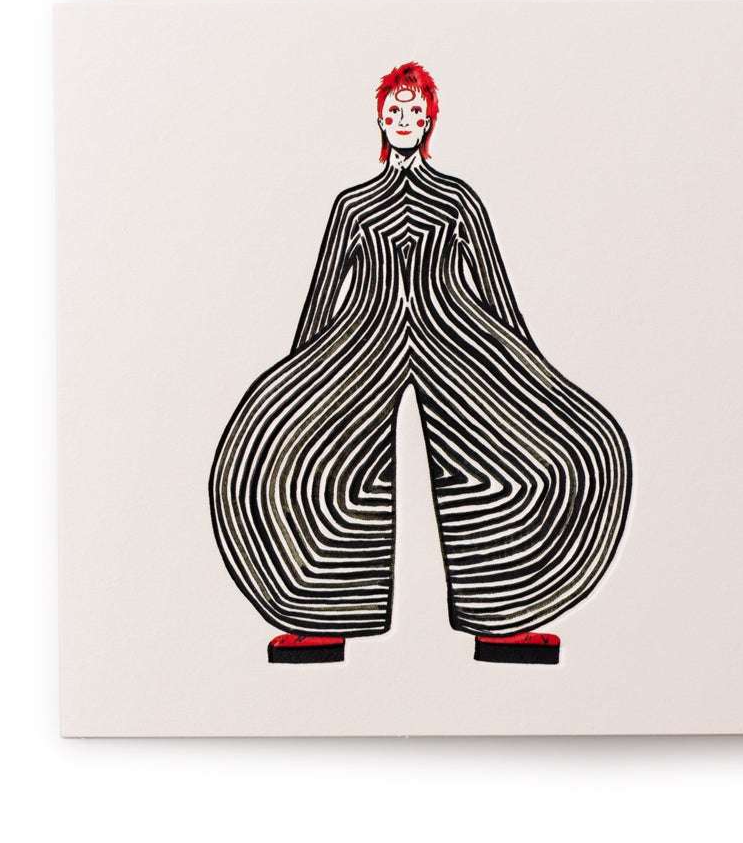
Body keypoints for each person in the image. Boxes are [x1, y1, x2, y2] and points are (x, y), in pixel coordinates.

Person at [209, 62, 632, 665]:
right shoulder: (353, 204)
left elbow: (493, 285)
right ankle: (322, 619)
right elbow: (324, 291)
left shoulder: (458, 199)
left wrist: (530, 365)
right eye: (393, 111)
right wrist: (296, 375)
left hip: (453, 327)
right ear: (380, 120)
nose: (403, 120)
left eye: (413, 111)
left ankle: (502, 620)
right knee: (312, 457)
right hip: (366, 330)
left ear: (429, 118)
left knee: (500, 457)